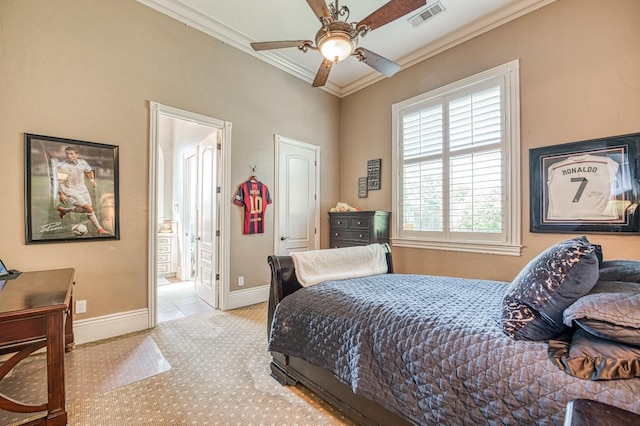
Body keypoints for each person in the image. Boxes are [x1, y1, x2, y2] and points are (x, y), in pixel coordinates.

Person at [56, 146, 108, 234]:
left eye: (71, 154)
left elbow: (89, 171)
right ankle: (100, 229)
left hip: (82, 188)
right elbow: (59, 181)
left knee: (87, 209)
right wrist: (61, 194)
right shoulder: (63, 166)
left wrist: (92, 180)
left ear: (77, 155)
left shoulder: (82, 162)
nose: (69, 156)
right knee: (89, 209)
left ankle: (64, 210)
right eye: (67, 153)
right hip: (70, 190)